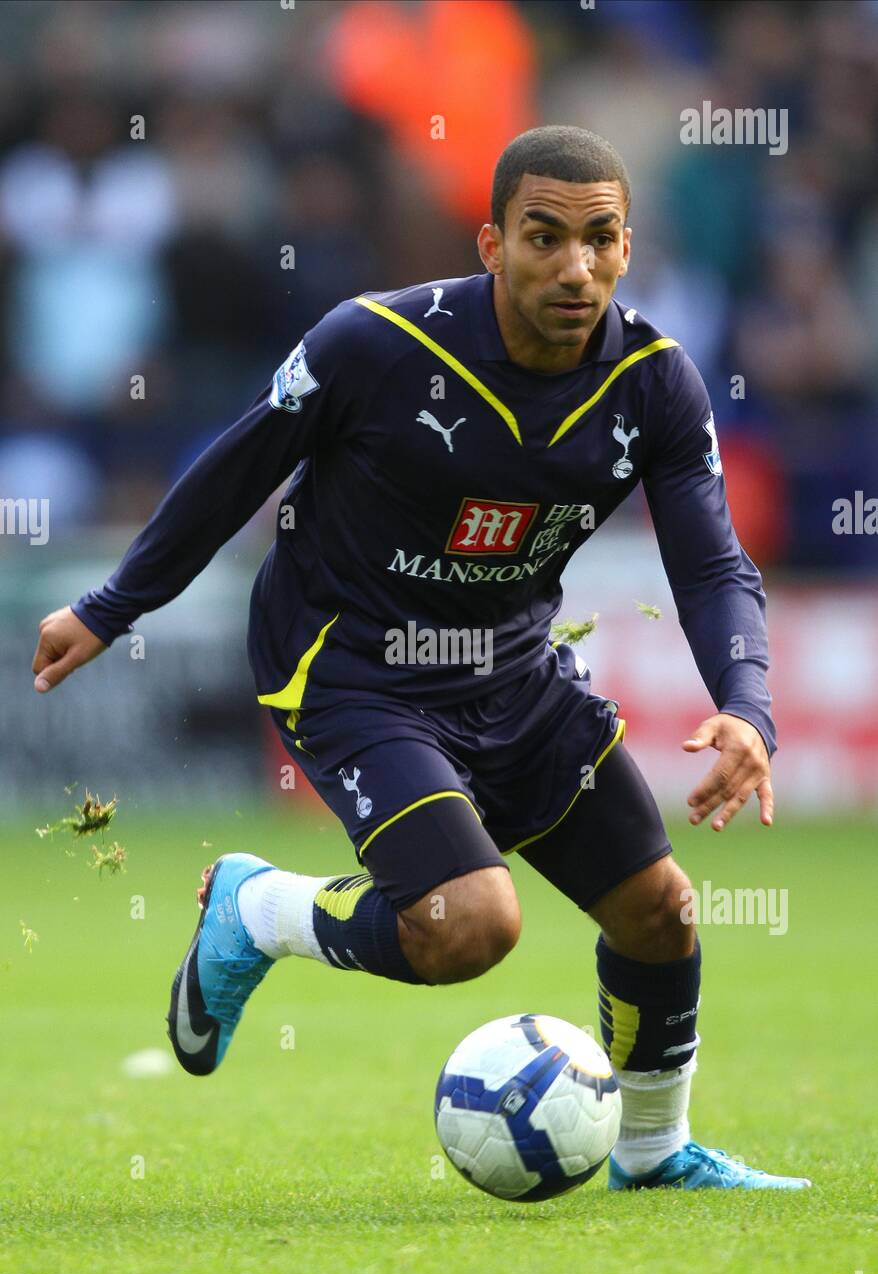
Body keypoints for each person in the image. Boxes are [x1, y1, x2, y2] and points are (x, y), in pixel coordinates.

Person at [32, 125, 809, 1192]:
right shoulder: (374, 345)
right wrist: (112, 605)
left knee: (661, 909)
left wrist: (745, 706)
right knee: (467, 924)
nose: (572, 268)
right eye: (543, 237)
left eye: (598, 240)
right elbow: (231, 469)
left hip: (511, 669)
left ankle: (651, 1150)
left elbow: (712, 565)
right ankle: (256, 910)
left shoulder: (651, 385)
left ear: (626, 247)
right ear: (491, 242)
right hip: (349, 663)